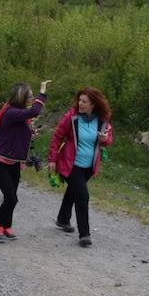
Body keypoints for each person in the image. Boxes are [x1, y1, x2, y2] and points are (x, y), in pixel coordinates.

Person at [47, 87, 115, 247]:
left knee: (74, 191)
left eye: (85, 101)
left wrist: (104, 139)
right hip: (71, 164)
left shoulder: (102, 120)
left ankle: (63, 219)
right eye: (80, 100)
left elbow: (108, 140)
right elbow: (57, 137)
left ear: (94, 104)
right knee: (82, 196)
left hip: (89, 166)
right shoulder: (72, 117)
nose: (80, 104)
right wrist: (52, 159)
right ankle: (84, 234)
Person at [0, 80, 50, 243]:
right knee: (11, 198)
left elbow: (18, 131)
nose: (32, 98)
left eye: (33, 96)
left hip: (14, 163)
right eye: (30, 96)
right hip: (0, 163)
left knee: (12, 197)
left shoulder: (21, 115)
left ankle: (6, 225)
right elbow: (35, 111)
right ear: (21, 97)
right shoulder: (11, 112)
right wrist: (42, 92)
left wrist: (30, 133)